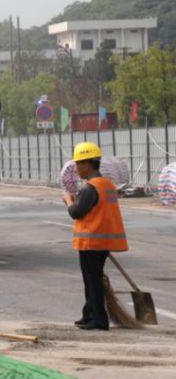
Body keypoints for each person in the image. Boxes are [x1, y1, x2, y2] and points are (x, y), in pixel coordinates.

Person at [60, 142, 128, 331]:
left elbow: (76, 212)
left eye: (79, 164)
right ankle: (89, 314)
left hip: (91, 242)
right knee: (92, 279)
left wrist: (68, 200)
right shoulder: (107, 185)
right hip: (101, 241)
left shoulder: (91, 188)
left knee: (92, 280)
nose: (76, 168)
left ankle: (99, 319)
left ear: (88, 164)